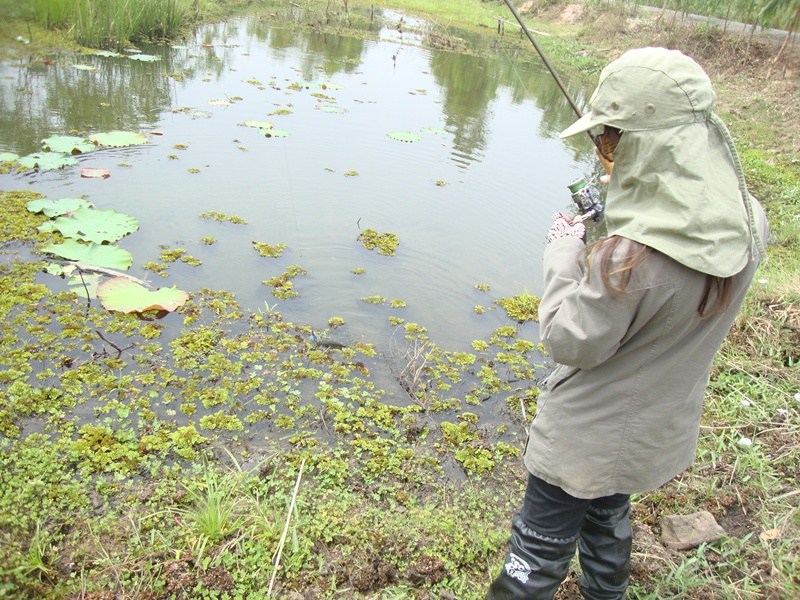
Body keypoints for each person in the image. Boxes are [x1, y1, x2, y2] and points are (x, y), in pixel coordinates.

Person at [487, 47, 768, 599]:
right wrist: (624, 210)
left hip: (583, 437)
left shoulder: (627, 258)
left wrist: (566, 251)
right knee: (609, 515)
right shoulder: (748, 220)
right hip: (653, 429)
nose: (604, 153)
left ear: (653, 145)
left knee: (537, 551)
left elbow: (568, 340)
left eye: (613, 141)